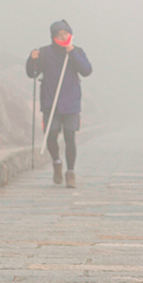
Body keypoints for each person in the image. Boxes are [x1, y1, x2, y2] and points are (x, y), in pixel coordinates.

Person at [26, 21, 92, 188]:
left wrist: (73, 54)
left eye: (66, 33)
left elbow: (86, 70)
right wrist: (31, 59)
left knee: (70, 137)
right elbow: (32, 73)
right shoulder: (45, 53)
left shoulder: (76, 51)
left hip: (71, 103)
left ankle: (70, 173)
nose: (63, 37)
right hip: (50, 102)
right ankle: (56, 163)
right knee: (51, 135)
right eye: (59, 34)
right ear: (53, 37)